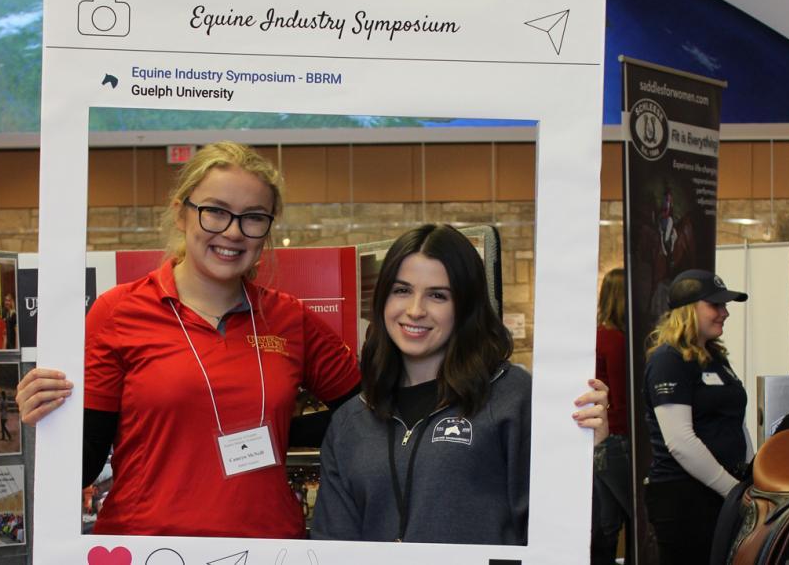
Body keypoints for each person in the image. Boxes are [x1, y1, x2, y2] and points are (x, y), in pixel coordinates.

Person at [16, 141, 361, 538]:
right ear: (181, 213)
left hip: (268, 546)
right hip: (148, 546)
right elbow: (86, 463)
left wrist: (279, 430)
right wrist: (46, 417)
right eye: (215, 211)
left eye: (253, 217)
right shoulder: (118, 313)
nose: (232, 232)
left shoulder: (289, 319)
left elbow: (364, 414)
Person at [310, 224, 609, 544]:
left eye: (437, 295)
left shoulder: (511, 397)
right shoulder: (351, 422)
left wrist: (583, 454)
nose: (415, 310)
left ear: (465, 306)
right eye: (402, 290)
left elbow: (566, 533)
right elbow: (331, 546)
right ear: (383, 299)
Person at [643, 269, 753, 565]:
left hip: (724, 492)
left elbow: (735, 422)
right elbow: (680, 441)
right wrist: (731, 490)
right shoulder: (668, 360)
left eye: (725, 305)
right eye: (715, 305)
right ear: (688, 310)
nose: (725, 313)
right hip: (685, 498)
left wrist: (750, 476)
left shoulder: (716, 357)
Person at [591, 268, 632, 565]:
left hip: (604, 440)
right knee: (626, 520)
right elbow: (621, 396)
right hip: (617, 438)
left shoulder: (600, 336)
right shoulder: (615, 340)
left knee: (606, 521)